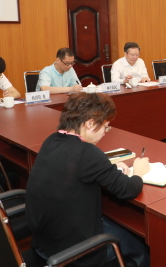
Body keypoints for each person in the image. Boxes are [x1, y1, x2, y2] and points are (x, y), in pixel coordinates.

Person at [26, 92, 151, 267]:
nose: (105, 133)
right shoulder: (87, 152)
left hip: (44, 246)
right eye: (105, 127)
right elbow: (128, 189)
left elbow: (73, 168)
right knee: (142, 247)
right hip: (76, 255)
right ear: (90, 124)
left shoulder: (51, 140)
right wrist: (139, 172)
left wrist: (108, 168)